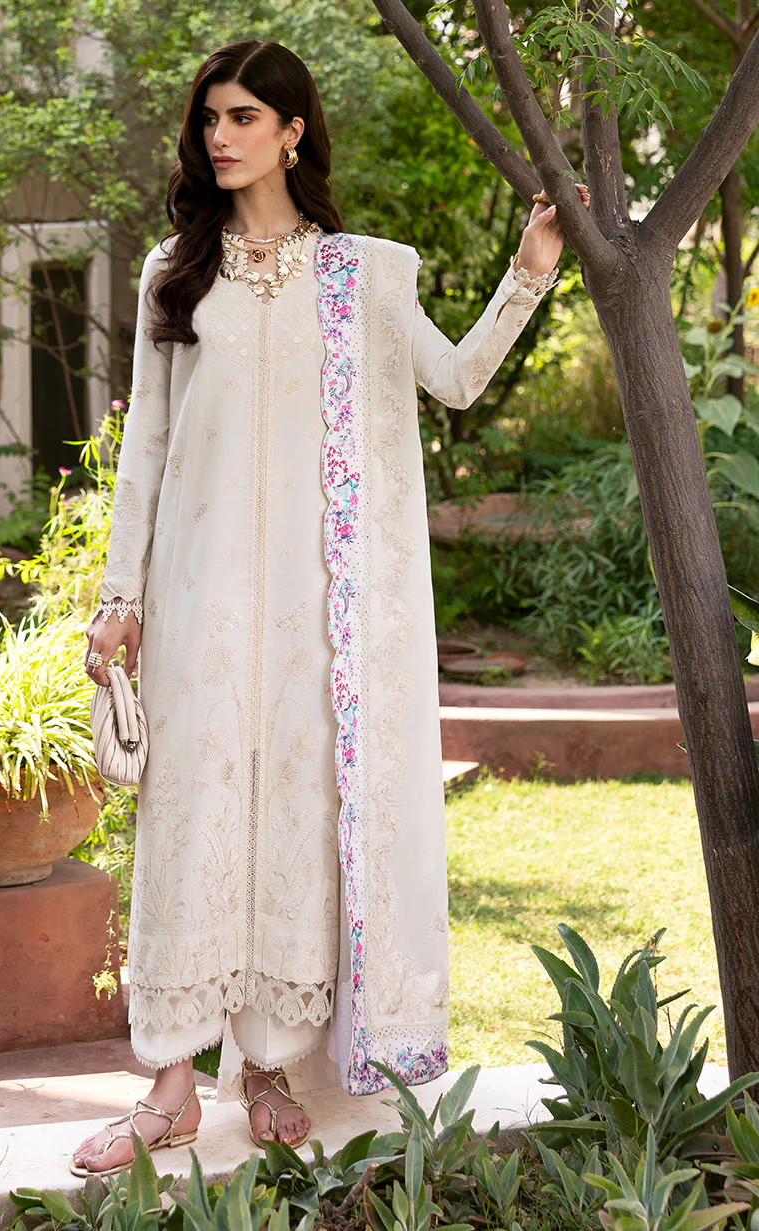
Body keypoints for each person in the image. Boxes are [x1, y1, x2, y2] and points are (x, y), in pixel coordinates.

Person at [72, 39, 590, 1177]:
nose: (219, 136)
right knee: (190, 823)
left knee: (297, 828)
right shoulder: (175, 271)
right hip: (199, 606)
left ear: (293, 132)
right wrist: (120, 597)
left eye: (243, 117)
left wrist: (529, 270)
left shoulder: (362, 276)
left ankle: (265, 1067)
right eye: (210, 118)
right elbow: (145, 446)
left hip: (323, 615)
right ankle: (170, 1086)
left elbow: (456, 380)